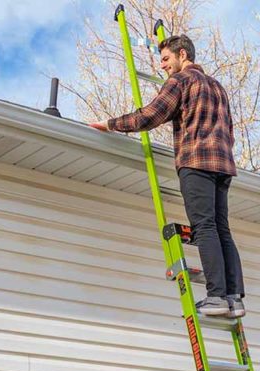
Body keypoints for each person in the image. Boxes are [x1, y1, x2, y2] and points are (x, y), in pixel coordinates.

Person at [90, 34, 245, 318]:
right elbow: (230, 131)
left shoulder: (182, 81)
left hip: (196, 161)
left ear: (182, 55)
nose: (162, 67)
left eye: (165, 59)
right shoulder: (218, 87)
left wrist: (111, 124)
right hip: (223, 166)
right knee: (221, 228)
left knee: (205, 228)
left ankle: (216, 297)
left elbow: (151, 115)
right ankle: (234, 298)